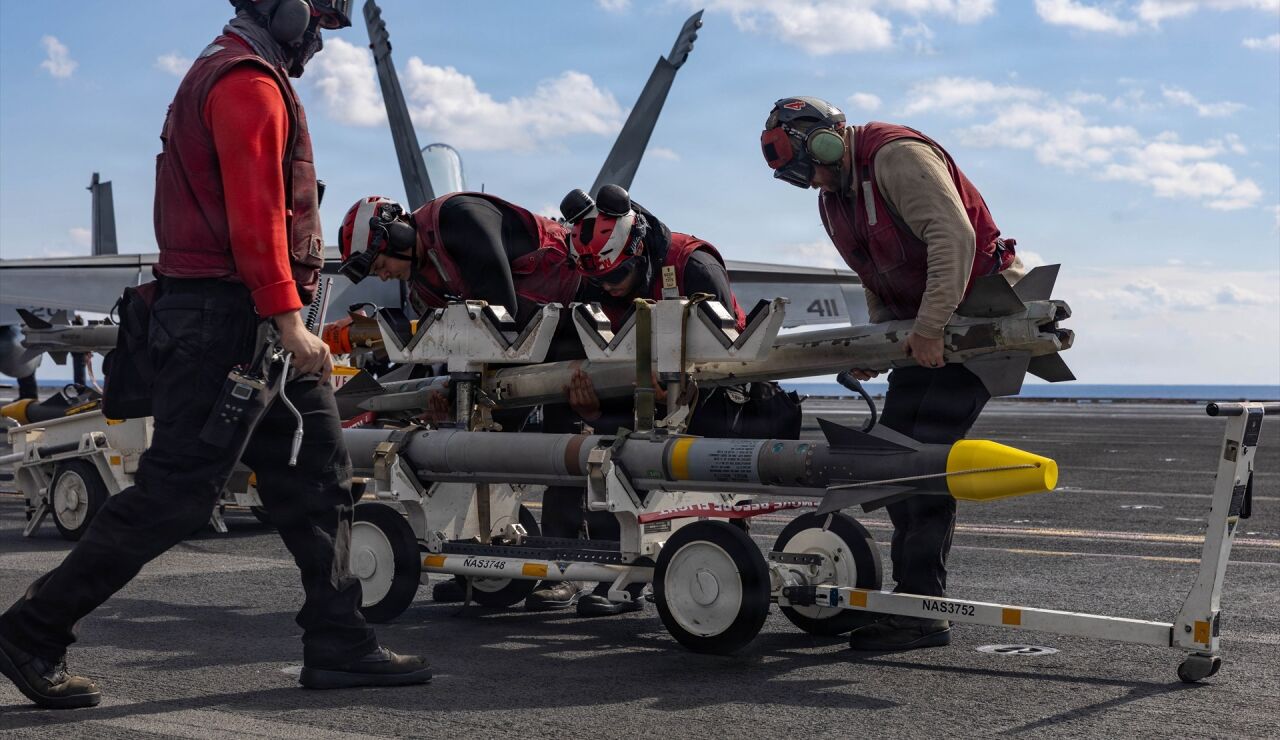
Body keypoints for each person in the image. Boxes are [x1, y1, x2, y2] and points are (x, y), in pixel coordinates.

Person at [0, 0, 432, 710]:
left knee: (319, 477)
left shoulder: (240, 73)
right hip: (227, 324)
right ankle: (31, 631)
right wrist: (288, 319)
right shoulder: (246, 83)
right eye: (317, 23)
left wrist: (281, 319)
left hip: (248, 322)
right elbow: (254, 214)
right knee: (176, 496)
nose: (319, 42)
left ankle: (339, 640)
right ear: (287, 11)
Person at [761, 96, 1026, 651]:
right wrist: (880, 343)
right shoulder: (834, 200)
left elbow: (954, 238)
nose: (815, 183)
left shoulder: (897, 156)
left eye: (812, 169)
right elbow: (875, 277)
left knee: (923, 457)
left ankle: (921, 610)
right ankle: (912, 603)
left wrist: (928, 327)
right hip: (929, 333)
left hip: (982, 319)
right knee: (891, 458)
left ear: (826, 139)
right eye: (802, 179)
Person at [526, 184, 756, 617]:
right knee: (600, 454)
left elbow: (730, 350)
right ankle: (609, 571)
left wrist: (681, 382)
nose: (609, 289)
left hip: (717, 391)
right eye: (599, 281)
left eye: (617, 277)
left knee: (707, 474)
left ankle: (728, 564)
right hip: (636, 389)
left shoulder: (693, 264)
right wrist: (593, 410)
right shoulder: (596, 278)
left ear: (639, 248)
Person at [336, 192, 580, 326]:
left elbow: (501, 314)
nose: (384, 276)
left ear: (398, 235)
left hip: (583, 294)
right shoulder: (422, 288)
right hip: (545, 330)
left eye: (380, 265)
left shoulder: (458, 217)